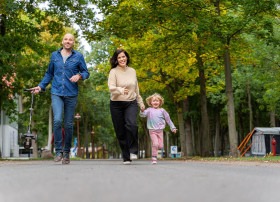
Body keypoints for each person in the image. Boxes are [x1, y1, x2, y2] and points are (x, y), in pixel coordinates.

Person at [31, 33, 89, 164]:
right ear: (62, 41)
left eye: (70, 40)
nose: (68, 41)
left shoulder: (78, 56)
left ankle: (66, 153)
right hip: (56, 92)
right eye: (66, 39)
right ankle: (58, 151)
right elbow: (49, 73)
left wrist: (79, 76)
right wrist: (40, 87)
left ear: (74, 43)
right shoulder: (54, 55)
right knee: (57, 120)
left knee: (68, 125)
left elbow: (86, 72)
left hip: (71, 93)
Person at [108, 49, 145, 165]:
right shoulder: (113, 72)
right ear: (116, 60)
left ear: (127, 58)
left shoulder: (132, 71)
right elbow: (111, 87)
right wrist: (120, 90)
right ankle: (126, 156)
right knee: (120, 131)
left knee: (132, 124)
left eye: (123, 57)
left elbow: (136, 88)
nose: (122, 59)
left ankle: (133, 150)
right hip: (116, 104)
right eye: (119, 58)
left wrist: (141, 103)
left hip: (131, 102)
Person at [140, 93, 177, 164]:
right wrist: (142, 111)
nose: (155, 102)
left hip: (160, 131)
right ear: (150, 102)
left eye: (157, 101)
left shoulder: (162, 111)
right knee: (155, 144)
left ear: (160, 102)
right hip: (152, 130)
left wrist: (173, 128)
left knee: (160, 146)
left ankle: (156, 151)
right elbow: (143, 115)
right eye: (154, 101)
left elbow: (168, 120)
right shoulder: (149, 110)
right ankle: (154, 157)